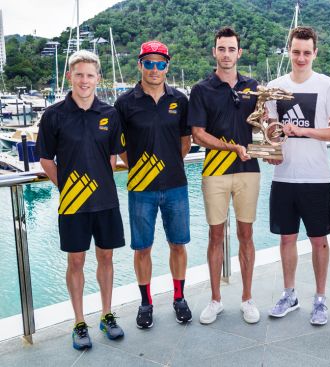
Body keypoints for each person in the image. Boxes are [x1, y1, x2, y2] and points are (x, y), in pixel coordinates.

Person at [37, 50, 125, 349]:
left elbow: (112, 158)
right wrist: (70, 188)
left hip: (105, 201)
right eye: (79, 75)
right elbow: (46, 160)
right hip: (73, 203)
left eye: (90, 75)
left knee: (107, 257)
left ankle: (107, 314)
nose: (84, 80)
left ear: (98, 78)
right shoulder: (54, 115)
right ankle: (79, 321)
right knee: (76, 261)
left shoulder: (110, 114)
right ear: (69, 77)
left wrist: (97, 184)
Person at [266, 26, 330, 325]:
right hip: (284, 178)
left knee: (319, 241)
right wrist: (272, 148)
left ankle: (320, 299)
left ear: (315, 53)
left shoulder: (327, 85)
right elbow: (271, 131)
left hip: (316, 178)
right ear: (289, 51)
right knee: (286, 239)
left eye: (307, 53)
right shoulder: (275, 86)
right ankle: (290, 294)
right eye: (296, 52)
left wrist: (304, 130)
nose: (301, 58)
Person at [115, 41, 192, 329]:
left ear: (167, 67)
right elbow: (120, 146)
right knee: (142, 248)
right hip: (140, 189)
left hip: (176, 185)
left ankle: (179, 298)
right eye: (149, 63)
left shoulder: (180, 100)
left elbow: (186, 141)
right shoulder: (124, 103)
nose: (155, 69)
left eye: (160, 64)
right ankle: (146, 303)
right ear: (140, 65)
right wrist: (139, 167)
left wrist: (170, 161)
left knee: (178, 244)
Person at [188, 27, 261, 325]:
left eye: (232, 49)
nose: (227, 54)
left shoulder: (253, 86)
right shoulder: (201, 89)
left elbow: (259, 125)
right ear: (214, 52)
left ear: (239, 53)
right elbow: (198, 134)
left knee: (247, 235)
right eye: (222, 48)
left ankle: (247, 298)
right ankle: (215, 300)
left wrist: (266, 125)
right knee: (215, 235)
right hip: (215, 172)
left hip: (248, 171)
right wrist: (231, 147)